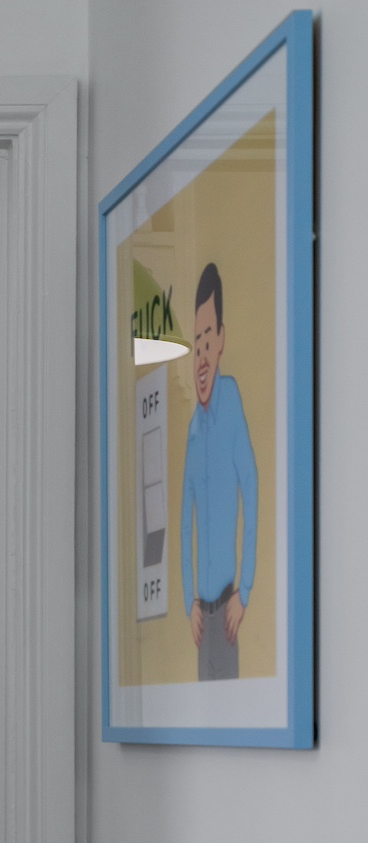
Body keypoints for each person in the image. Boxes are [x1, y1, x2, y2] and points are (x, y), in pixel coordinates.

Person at [180, 262, 258, 680]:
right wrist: (188, 598)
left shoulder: (230, 399)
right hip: (201, 617)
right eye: (195, 342)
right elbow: (183, 524)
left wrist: (244, 590)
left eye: (209, 338)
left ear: (222, 339)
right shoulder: (193, 428)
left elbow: (252, 484)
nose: (202, 353)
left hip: (226, 608)